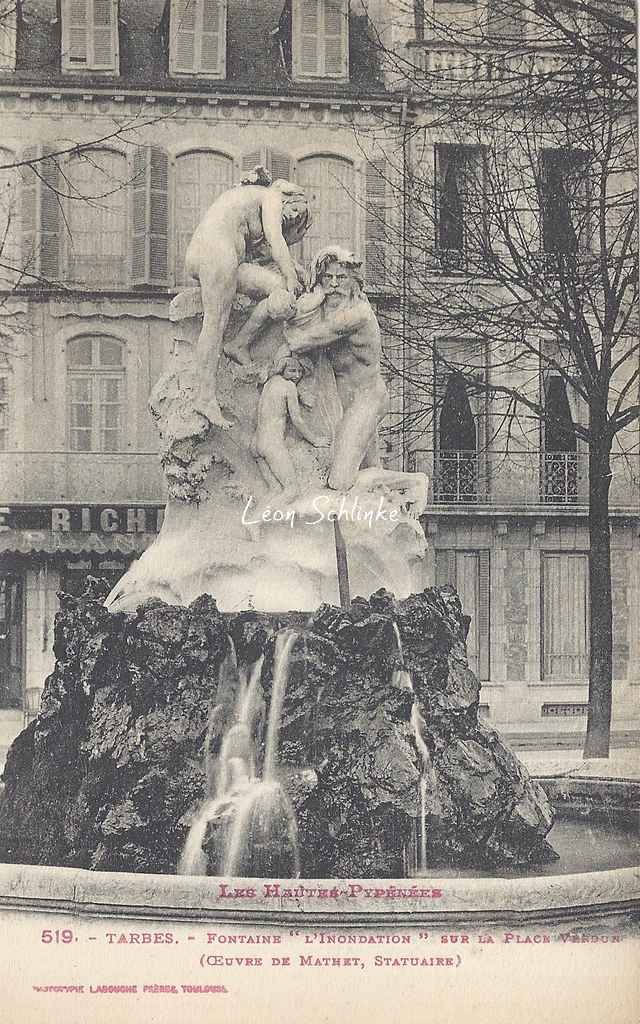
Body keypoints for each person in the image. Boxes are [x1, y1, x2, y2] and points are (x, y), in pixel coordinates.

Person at [184, 166, 310, 428]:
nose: (291, 219)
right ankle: (203, 397)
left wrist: (288, 276)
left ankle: (240, 344)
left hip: (222, 257)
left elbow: (264, 256)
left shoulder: (250, 200)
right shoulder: (271, 197)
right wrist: (292, 276)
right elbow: (276, 242)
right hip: (215, 251)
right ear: (289, 198)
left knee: (274, 287)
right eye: (294, 213)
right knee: (214, 325)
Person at [277, 247, 389, 492]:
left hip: (366, 399)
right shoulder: (331, 310)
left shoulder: (355, 314)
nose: (334, 284)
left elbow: (298, 341)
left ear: (354, 282)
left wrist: (314, 295)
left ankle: (414, 483)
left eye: (341, 278)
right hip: (343, 403)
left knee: (340, 480)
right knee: (371, 473)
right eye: (328, 277)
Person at [251, 353, 329, 502]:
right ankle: (257, 521)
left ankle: (255, 521)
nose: (297, 375)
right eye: (292, 370)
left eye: (300, 371)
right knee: (292, 490)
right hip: (271, 445)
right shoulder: (289, 387)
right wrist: (315, 440)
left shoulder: (270, 382)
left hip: (256, 444)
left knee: (274, 489)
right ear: (282, 369)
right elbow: (297, 420)